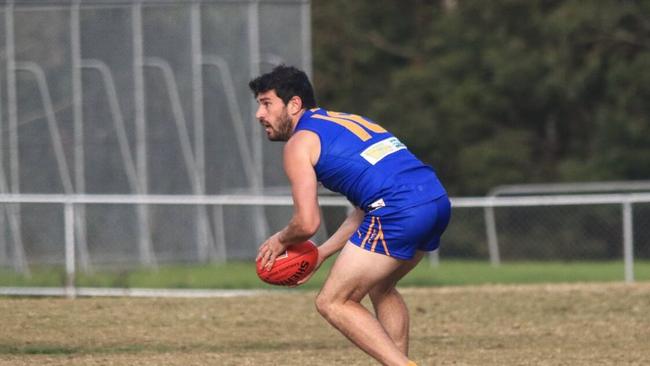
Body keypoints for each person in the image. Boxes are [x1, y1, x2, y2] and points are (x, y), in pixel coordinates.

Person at [250, 65, 451, 366]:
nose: (259, 115)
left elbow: (306, 223)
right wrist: (321, 254)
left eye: (266, 104)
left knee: (332, 301)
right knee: (381, 287)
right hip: (434, 200)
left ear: (294, 104)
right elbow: (364, 208)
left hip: (398, 209)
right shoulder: (346, 120)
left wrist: (281, 239)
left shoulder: (300, 143)